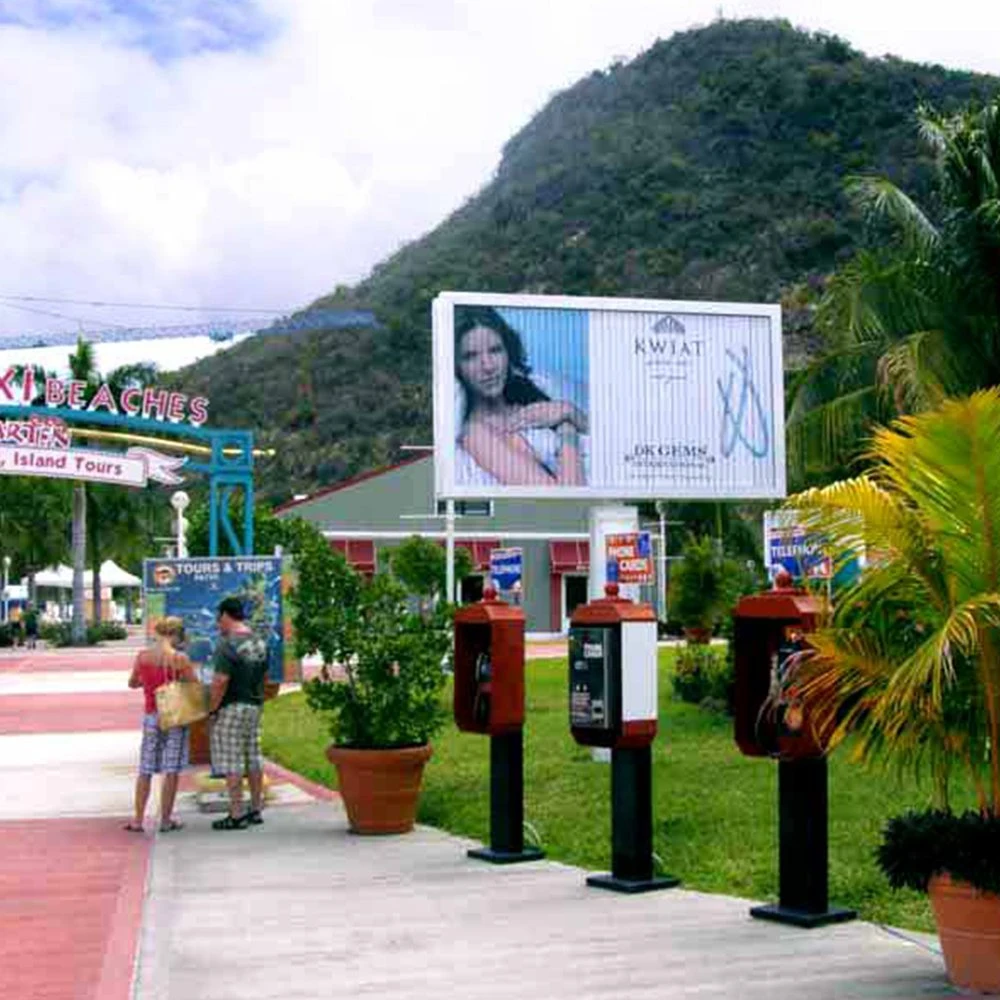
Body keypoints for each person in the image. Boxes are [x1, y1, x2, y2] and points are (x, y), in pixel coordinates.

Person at [454, 305, 587, 486]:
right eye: (470, 356)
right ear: (456, 367)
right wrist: (567, 428)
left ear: (508, 351)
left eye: (495, 350)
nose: (488, 366)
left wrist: (570, 411)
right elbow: (567, 496)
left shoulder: (534, 390)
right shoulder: (475, 433)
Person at [125, 616, 196, 833]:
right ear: (175, 635)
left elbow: (132, 683)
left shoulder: (143, 656)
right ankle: (165, 820)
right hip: (173, 717)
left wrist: (148, 681)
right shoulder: (179, 659)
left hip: (151, 715)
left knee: (145, 768)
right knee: (171, 769)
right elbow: (193, 686)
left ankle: (138, 819)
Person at [207, 596, 269, 830]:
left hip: (232, 706)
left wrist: (212, 709)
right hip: (254, 705)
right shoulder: (259, 641)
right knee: (253, 757)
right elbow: (264, 677)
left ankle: (236, 813)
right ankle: (255, 809)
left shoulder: (227, 644)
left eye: (218, 619)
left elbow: (220, 680)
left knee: (232, 760)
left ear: (225, 615)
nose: (217, 624)